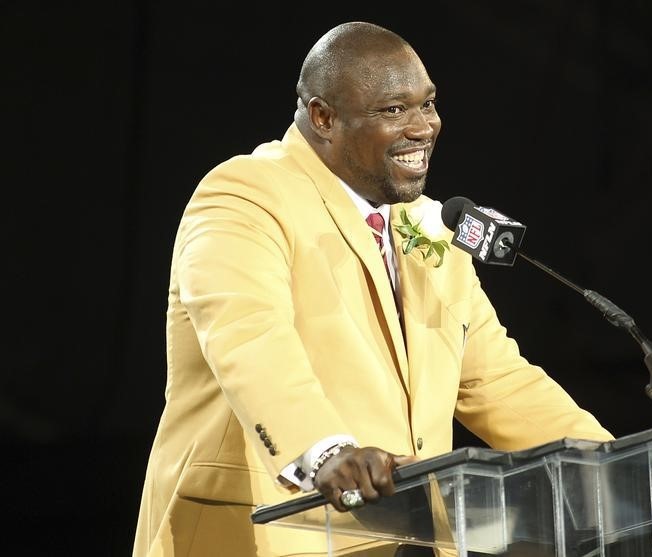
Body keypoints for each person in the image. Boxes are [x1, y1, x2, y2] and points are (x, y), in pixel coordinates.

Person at [133, 21, 613, 557]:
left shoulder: (425, 224)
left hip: (399, 540)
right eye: (393, 111)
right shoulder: (245, 194)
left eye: (427, 105)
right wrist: (325, 450)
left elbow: (495, 379)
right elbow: (248, 337)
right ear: (323, 117)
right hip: (262, 534)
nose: (422, 127)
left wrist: (608, 466)